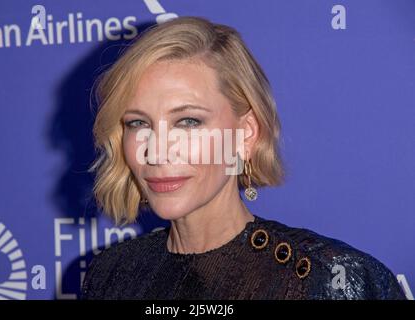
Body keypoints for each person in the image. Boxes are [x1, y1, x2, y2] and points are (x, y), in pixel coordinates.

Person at [81, 16, 405, 300]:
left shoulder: (332, 280)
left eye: (188, 121)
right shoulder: (111, 274)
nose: (157, 150)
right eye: (138, 123)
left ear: (245, 133)